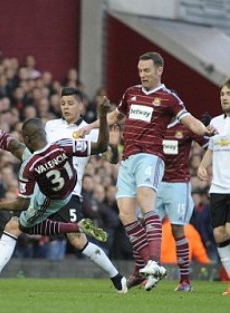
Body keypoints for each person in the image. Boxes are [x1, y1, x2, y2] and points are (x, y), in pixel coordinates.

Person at [0, 87, 126, 292]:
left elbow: (111, 158)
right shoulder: (50, 125)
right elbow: (36, 150)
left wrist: (113, 146)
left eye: (70, 103)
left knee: (77, 241)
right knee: (14, 226)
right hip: (42, 190)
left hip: (71, 193)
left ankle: (117, 278)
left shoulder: (91, 130)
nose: (65, 107)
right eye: (63, 103)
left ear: (81, 105)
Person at [77, 52, 215, 291]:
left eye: (147, 71)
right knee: (126, 215)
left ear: (159, 70)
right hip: (128, 159)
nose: (143, 75)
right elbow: (115, 116)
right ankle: (146, 267)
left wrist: (207, 129)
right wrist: (89, 126)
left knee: (147, 204)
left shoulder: (169, 98)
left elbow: (191, 122)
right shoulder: (131, 93)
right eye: (140, 70)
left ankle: (158, 265)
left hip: (151, 158)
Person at [152, 118, 209, 291]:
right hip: (156, 183)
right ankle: (146, 273)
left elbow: (209, 145)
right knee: (147, 226)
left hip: (178, 184)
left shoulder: (186, 125)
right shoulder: (154, 125)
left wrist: (203, 165)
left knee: (178, 229)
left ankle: (185, 281)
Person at [197, 78, 230, 295]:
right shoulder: (216, 123)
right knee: (219, 234)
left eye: (228, 94)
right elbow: (211, 149)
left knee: (229, 229)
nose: (224, 98)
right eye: (222, 94)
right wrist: (202, 165)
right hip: (218, 187)